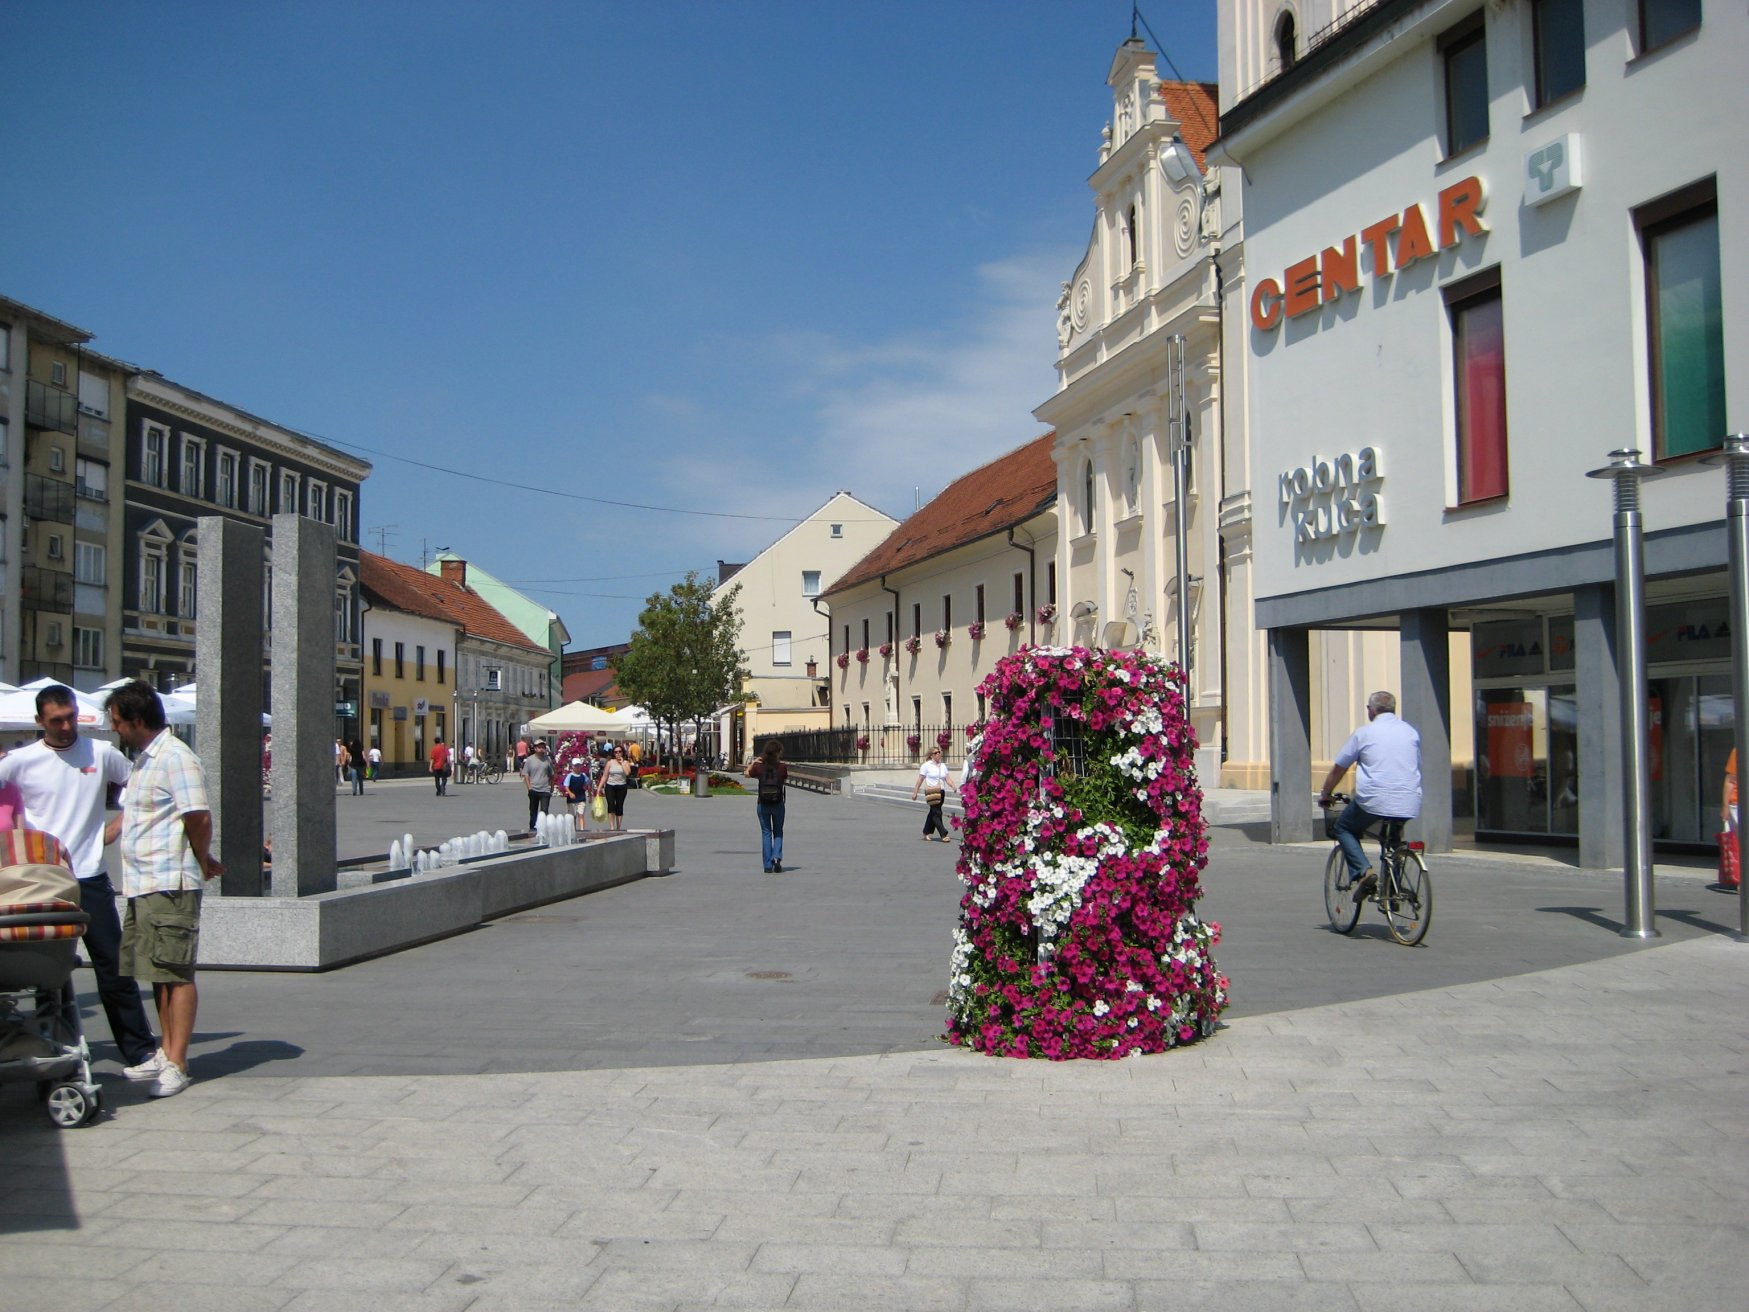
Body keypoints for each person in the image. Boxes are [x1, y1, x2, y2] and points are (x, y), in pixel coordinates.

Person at [0, 685, 160, 1079]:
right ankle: (49, 1049)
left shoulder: (101, 752)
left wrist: (117, 827)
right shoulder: (21, 760)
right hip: (44, 877)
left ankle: (139, 1050)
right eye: (57, 720)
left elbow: (142, 786)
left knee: (114, 965)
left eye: (71, 716)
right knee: (44, 970)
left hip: (90, 875)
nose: (67, 725)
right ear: (40, 722)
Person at [105, 680, 225, 1099]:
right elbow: (137, 817)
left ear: (138, 720)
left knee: (175, 971)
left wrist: (198, 856)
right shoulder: (144, 760)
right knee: (157, 971)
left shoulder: (176, 758)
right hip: (143, 882)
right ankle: (166, 1049)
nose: (115, 729)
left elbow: (199, 817)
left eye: (118, 722)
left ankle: (178, 1062)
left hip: (169, 881)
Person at [1318, 690, 1422, 902]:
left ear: (1371, 710)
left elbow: (1339, 768)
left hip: (1374, 799)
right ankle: (1393, 891)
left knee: (1344, 827)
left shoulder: (1364, 733)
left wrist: (1326, 793)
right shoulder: (1410, 732)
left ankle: (1364, 872)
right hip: (1409, 799)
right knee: (1392, 839)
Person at [745, 741, 788, 873]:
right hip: (778, 803)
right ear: (777, 753)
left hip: (762, 803)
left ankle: (767, 865)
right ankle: (777, 857)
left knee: (766, 833)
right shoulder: (782, 767)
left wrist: (754, 762)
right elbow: (784, 779)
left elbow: (746, 774)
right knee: (778, 831)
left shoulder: (759, 767)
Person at [910, 745, 957, 842]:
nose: (938, 754)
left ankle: (926, 832)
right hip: (931, 791)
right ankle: (943, 834)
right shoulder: (926, 766)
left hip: (941, 791)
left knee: (933, 812)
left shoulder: (943, 766)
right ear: (931, 755)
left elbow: (947, 778)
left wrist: (953, 786)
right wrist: (915, 792)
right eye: (936, 753)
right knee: (937, 813)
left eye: (939, 752)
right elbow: (920, 779)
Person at [522, 738, 554, 831]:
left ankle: (544, 829)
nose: (542, 749)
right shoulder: (530, 760)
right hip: (533, 789)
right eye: (539, 747)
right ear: (535, 749)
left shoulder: (547, 759)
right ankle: (533, 828)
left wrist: (551, 787)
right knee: (533, 811)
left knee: (544, 811)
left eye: (543, 747)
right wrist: (529, 787)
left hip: (545, 789)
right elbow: (526, 774)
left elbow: (552, 774)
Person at [599, 745, 632, 832]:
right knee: (611, 805)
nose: (618, 754)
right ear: (613, 753)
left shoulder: (625, 762)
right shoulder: (610, 762)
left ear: (623, 753)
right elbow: (605, 776)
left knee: (619, 806)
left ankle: (618, 827)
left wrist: (622, 763)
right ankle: (612, 827)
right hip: (610, 786)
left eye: (619, 751)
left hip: (622, 786)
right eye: (616, 752)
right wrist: (599, 788)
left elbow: (627, 773)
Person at [563, 756, 594, 836]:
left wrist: (590, 796)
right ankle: (572, 831)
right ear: (572, 766)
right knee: (572, 816)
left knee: (581, 814)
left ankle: (582, 830)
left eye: (578, 765)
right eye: (575, 765)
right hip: (572, 799)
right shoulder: (570, 776)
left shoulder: (583, 776)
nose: (577, 767)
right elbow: (566, 785)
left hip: (581, 798)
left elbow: (588, 785)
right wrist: (570, 793)